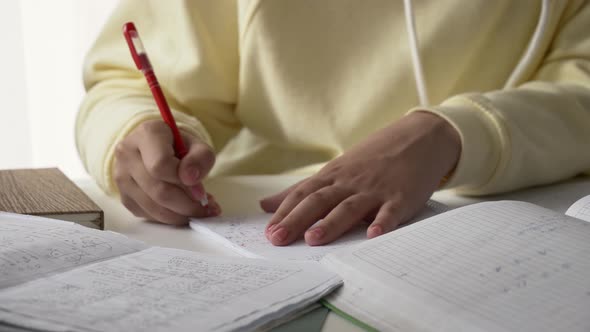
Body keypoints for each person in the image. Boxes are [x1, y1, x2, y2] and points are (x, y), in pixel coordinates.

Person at [77, 0, 590, 247]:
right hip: (248, 231)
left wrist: (451, 133)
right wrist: (134, 133)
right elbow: (124, 86)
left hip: (501, 223)